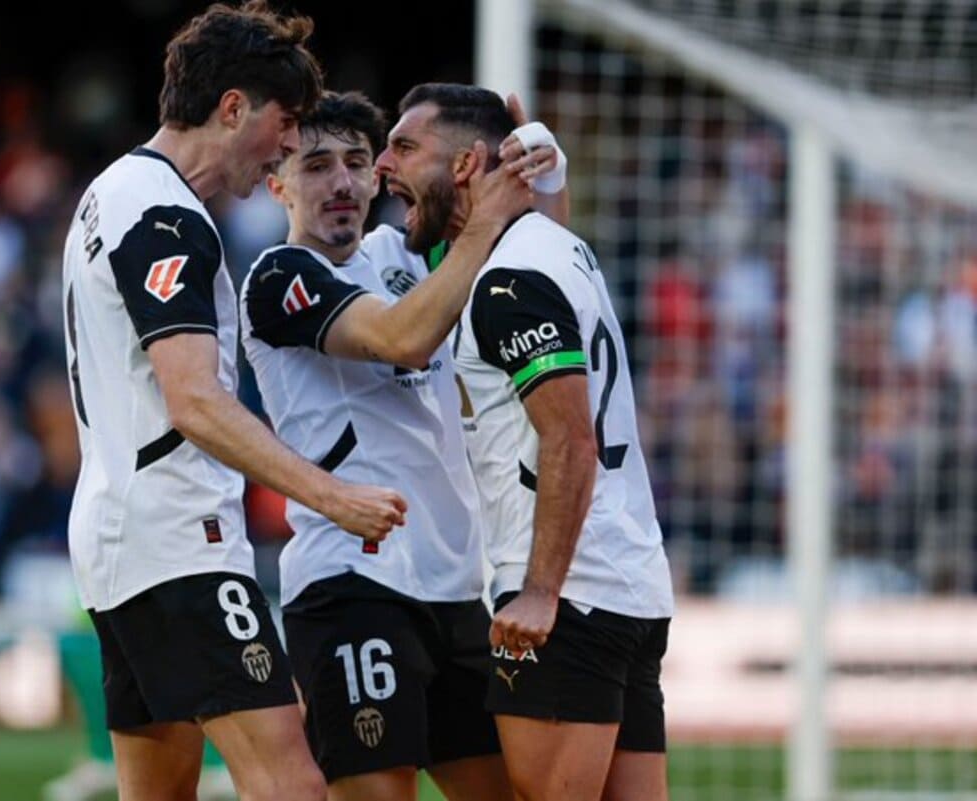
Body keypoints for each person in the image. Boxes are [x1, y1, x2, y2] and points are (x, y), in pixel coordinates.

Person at [59, 4, 408, 800]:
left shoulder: (109, 192)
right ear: (232, 108)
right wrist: (330, 494)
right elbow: (194, 399)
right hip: (179, 537)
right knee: (292, 783)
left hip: (118, 533)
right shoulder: (168, 216)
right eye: (285, 126)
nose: (289, 148)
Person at [238, 90, 555, 801]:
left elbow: (524, 250)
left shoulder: (403, 257)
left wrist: (530, 164)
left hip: (453, 587)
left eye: (356, 161)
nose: (343, 183)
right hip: (353, 586)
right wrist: (484, 228)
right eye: (315, 165)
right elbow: (402, 339)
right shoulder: (278, 277)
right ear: (276, 183)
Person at [375, 83, 676, 801]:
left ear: (467, 165)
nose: (383, 163)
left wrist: (540, 590)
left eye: (405, 146)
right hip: (626, 582)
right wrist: (551, 180)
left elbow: (569, 437)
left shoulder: (508, 282)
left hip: (566, 596)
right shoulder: (556, 249)